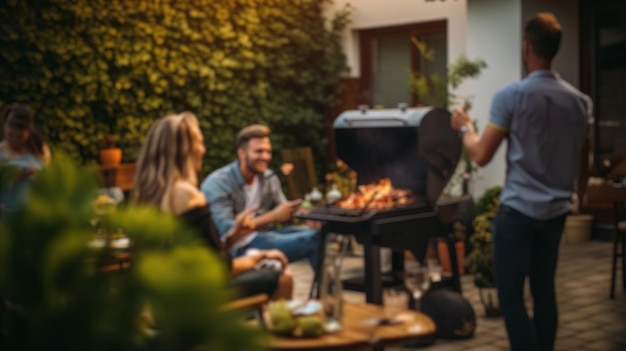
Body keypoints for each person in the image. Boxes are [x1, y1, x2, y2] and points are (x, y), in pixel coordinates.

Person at [451, 13, 591, 351]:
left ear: (526, 48)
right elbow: (581, 161)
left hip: (517, 214)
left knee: (511, 297)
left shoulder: (511, 96)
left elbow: (481, 154)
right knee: (545, 291)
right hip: (555, 213)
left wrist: (464, 128)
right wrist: (578, 197)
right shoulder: (579, 102)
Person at [131, 113, 293, 300]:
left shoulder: (150, 196)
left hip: (166, 295)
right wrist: (259, 257)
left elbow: (202, 251)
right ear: (187, 150)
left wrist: (233, 236)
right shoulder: (187, 194)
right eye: (199, 142)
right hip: (198, 295)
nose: (203, 149)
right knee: (283, 278)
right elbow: (219, 268)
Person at [201, 124, 319, 269]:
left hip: (266, 236)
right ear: (241, 153)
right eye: (259, 151)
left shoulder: (268, 178)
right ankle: (327, 291)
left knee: (321, 234)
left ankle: (325, 289)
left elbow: (283, 209)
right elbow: (227, 230)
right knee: (314, 240)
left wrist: (309, 215)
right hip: (239, 248)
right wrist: (273, 216)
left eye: (268, 152)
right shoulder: (218, 183)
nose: (265, 157)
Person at [0, 103, 51, 222]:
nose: (15, 139)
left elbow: (48, 186)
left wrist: (36, 173)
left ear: (28, 131)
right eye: (11, 135)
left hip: (32, 222)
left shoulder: (40, 151)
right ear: (4, 127)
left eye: (19, 136)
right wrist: (11, 177)